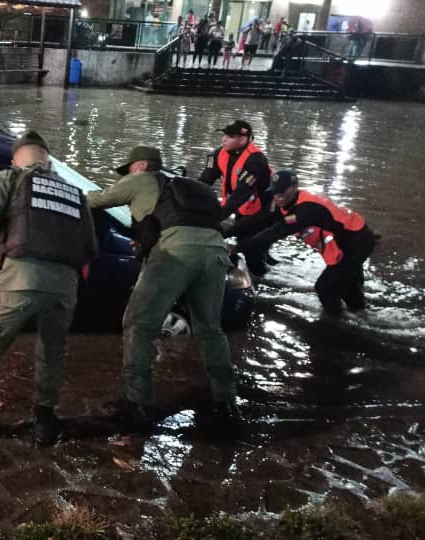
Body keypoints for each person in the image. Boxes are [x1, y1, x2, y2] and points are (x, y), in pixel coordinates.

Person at [0, 131, 98, 445]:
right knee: (52, 352)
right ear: (48, 161)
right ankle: (44, 422)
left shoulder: (11, 178)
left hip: (21, 279)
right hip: (66, 286)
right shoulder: (76, 193)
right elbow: (90, 247)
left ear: (15, 161)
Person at [86, 146, 240, 430]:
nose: (127, 175)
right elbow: (219, 220)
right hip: (216, 253)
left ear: (142, 165)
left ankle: (137, 404)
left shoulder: (141, 178)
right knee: (209, 327)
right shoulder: (193, 186)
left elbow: (93, 200)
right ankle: (226, 401)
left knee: (138, 324)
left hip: (175, 253)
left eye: (129, 169)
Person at [227, 170, 377, 317]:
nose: (277, 197)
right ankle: (361, 314)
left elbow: (273, 233)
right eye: (274, 193)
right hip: (350, 240)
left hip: (356, 242)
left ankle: (338, 323)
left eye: (280, 193)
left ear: (293, 188)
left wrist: (237, 248)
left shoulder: (306, 209)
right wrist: (225, 232)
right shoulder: (286, 203)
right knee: (348, 289)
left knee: (324, 288)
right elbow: (258, 220)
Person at [198, 120, 273, 256]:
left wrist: (219, 215)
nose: (223, 140)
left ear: (243, 139)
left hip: (262, 209)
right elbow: (205, 180)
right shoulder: (218, 153)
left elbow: (242, 192)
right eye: (224, 135)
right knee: (241, 240)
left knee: (253, 252)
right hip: (241, 207)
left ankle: (261, 267)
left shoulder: (256, 159)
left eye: (230, 137)